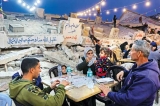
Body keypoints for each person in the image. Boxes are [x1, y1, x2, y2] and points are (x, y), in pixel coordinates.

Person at [99, 40, 160, 106]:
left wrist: (109, 93)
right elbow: (135, 72)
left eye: (131, 50)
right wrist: (125, 72)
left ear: (139, 53)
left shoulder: (147, 78)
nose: (129, 53)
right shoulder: (139, 66)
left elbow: (129, 99)